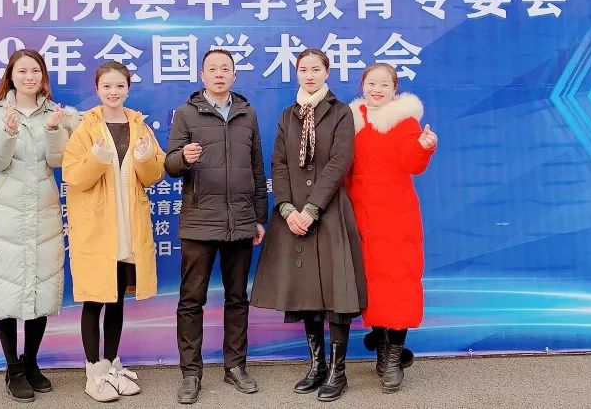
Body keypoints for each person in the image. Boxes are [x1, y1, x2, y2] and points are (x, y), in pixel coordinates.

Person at [250, 48, 367, 403]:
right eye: (303, 69)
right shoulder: (289, 116)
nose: (309, 75)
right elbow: (280, 163)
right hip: (294, 216)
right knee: (307, 294)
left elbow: (340, 161)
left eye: (316, 69)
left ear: (327, 72)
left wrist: (312, 208)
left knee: (336, 292)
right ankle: (317, 366)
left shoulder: (341, 111)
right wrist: (287, 210)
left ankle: (338, 371)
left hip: (328, 212)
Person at [164, 49, 268, 404]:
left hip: (240, 221)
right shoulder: (186, 113)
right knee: (191, 300)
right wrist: (183, 157)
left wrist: (258, 217)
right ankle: (191, 374)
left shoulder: (247, 113)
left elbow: (257, 169)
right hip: (199, 222)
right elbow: (170, 164)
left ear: (234, 75)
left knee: (238, 298)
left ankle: (235, 366)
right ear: (202, 75)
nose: (219, 74)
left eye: (226, 69)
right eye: (213, 69)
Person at [0, 48, 75, 402]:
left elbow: (59, 161)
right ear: (11, 76)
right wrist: (8, 132)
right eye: (23, 71)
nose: (29, 77)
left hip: (44, 212)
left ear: (43, 76)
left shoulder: (56, 113)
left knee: (40, 288)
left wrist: (53, 130)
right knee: (6, 290)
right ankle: (13, 368)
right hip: (8, 215)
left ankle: (31, 362)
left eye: (35, 71)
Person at [62, 61, 166, 402]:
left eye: (119, 86)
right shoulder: (85, 128)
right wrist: (96, 156)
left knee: (118, 299)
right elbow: (73, 176)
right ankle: (94, 372)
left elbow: (153, 175)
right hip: (97, 230)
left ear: (128, 89)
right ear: (97, 89)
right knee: (95, 300)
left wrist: (146, 157)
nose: (113, 92)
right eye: (106, 86)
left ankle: (111, 364)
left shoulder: (139, 126)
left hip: (129, 228)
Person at [344, 63, 437, 393]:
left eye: (384, 84)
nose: (377, 89)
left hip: (396, 215)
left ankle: (394, 357)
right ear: (362, 86)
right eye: (371, 83)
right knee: (370, 286)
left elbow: (411, 162)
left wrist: (424, 145)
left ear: (395, 89)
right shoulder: (352, 120)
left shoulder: (404, 119)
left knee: (398, 283)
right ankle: (382, 350)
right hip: (360, 216)